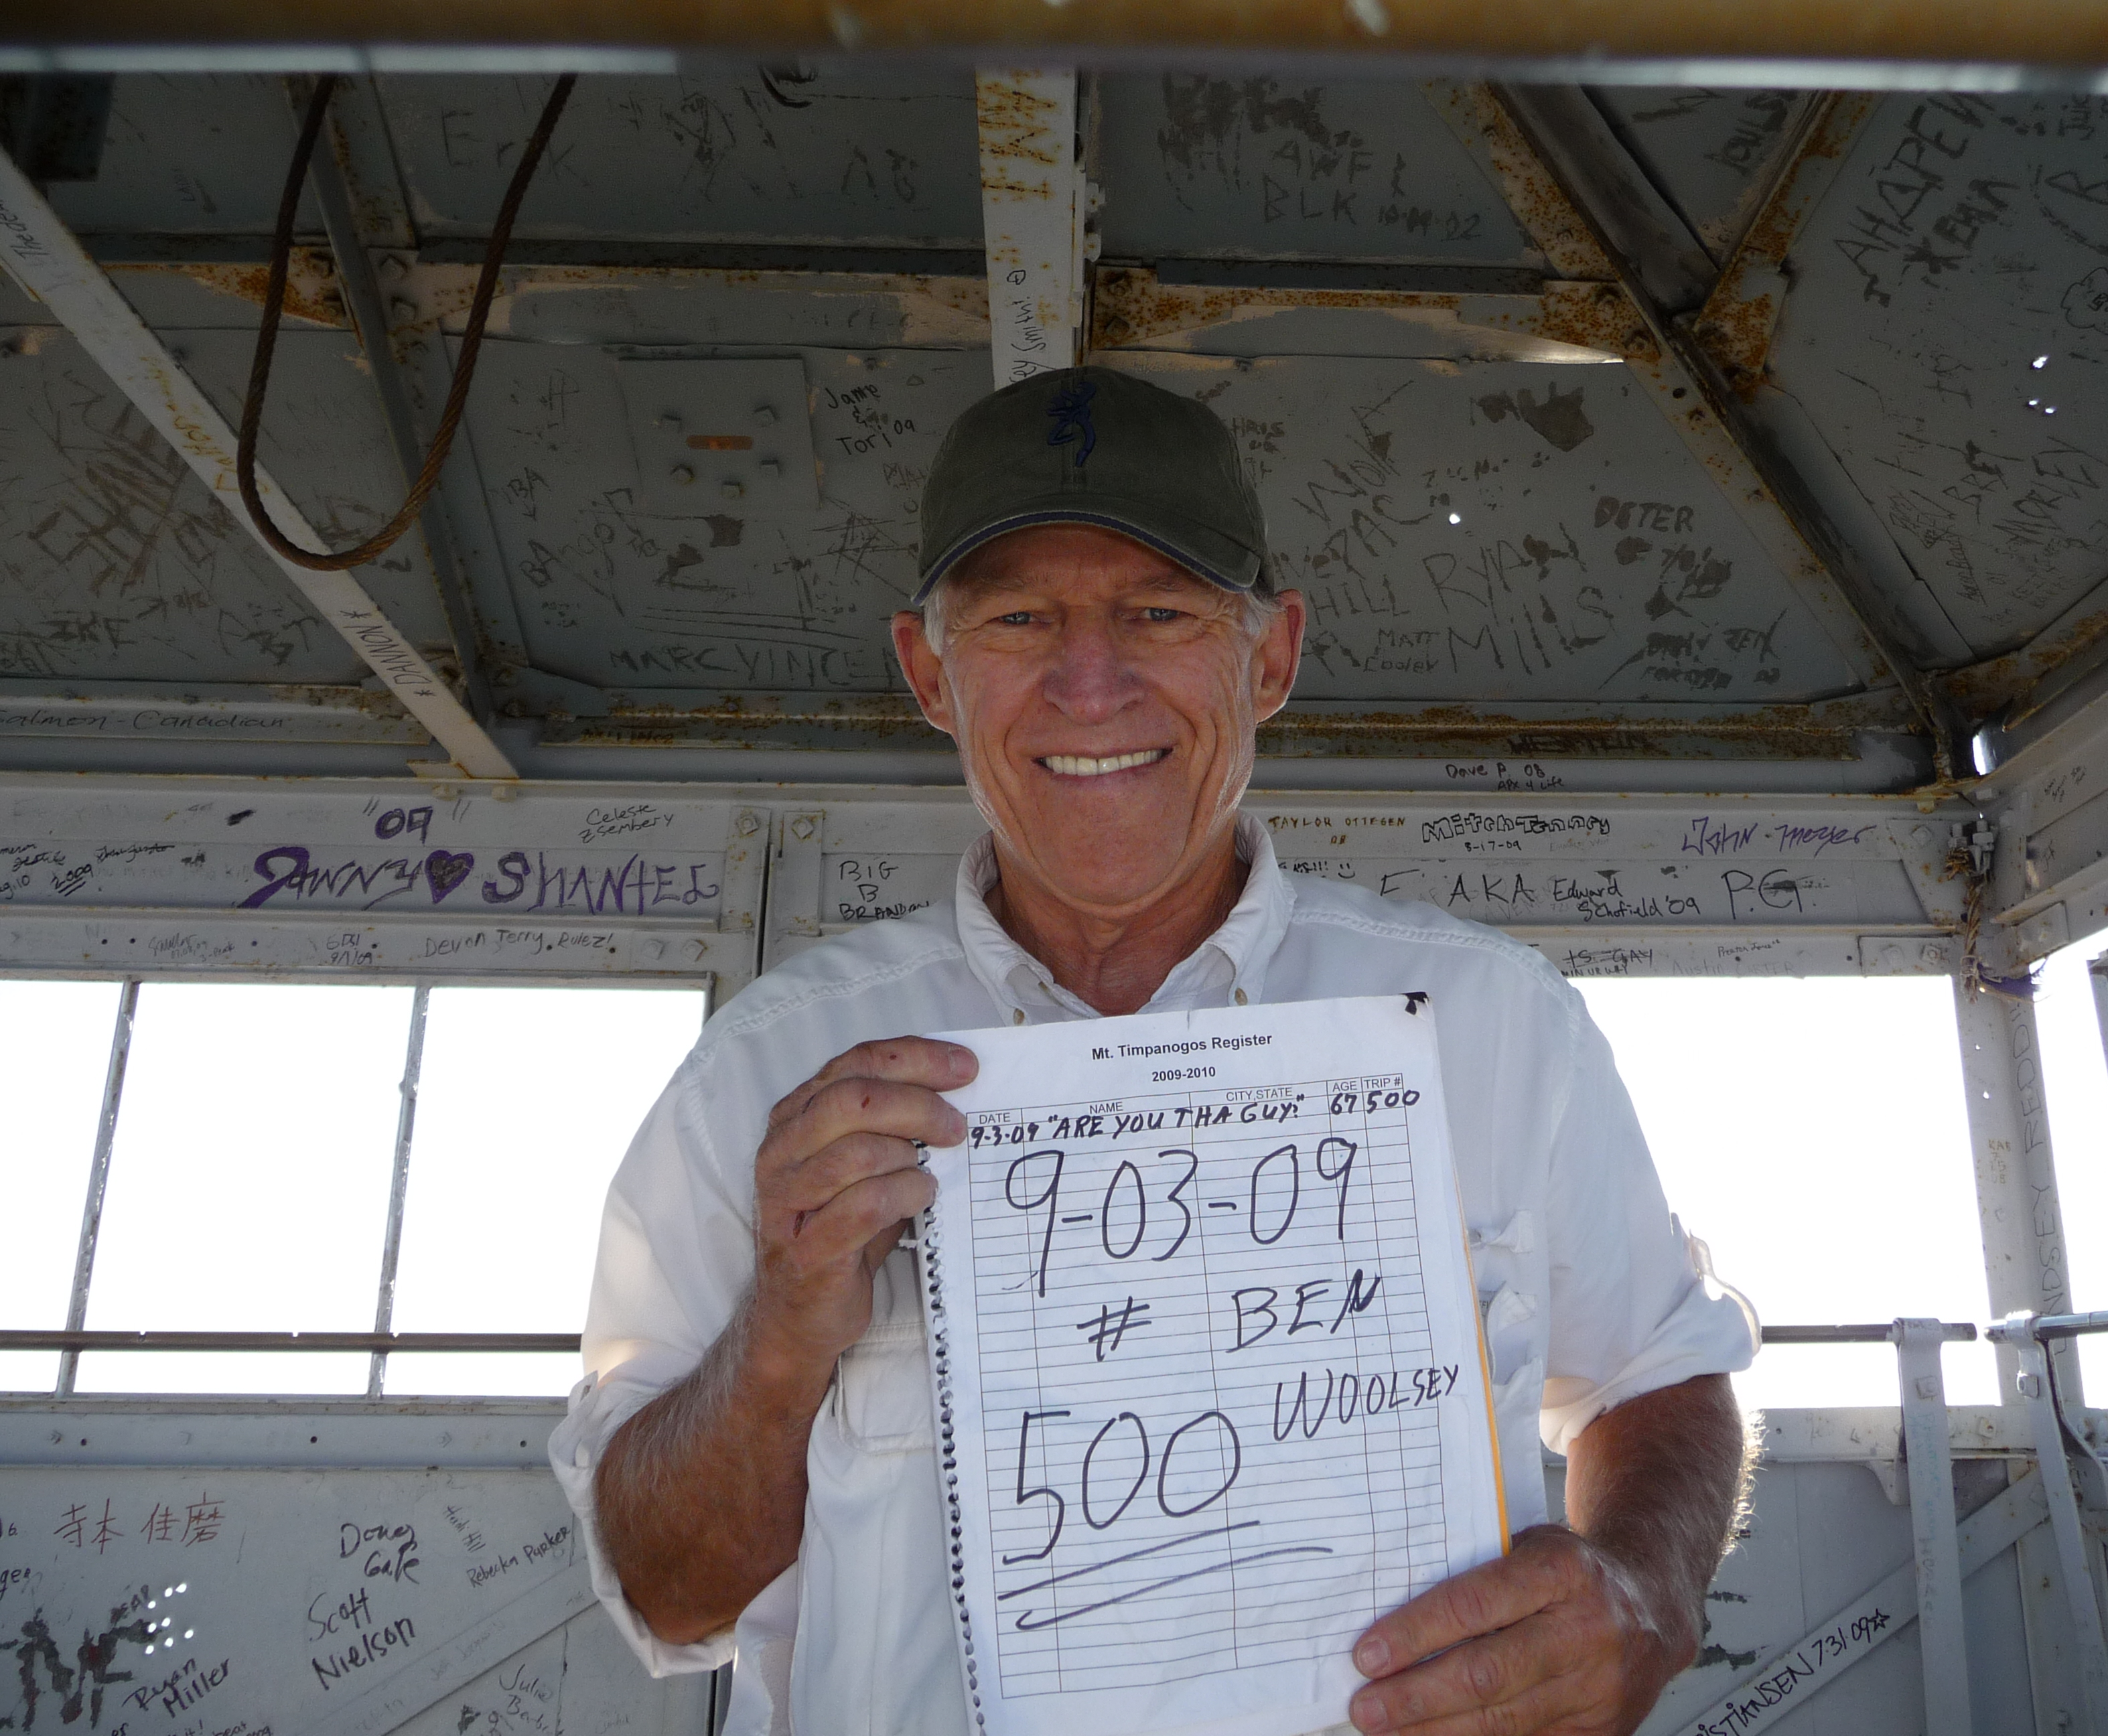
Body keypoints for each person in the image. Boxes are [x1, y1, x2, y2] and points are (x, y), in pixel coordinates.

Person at [550, 366, 1756, 1736]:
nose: (1090, 683)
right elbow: (665, 1592)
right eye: (1018, 619)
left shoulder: (1498, 1025)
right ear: (930, 674)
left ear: (1274, 657)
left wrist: (1647, 1590)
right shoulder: (766, 1076)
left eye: (1160, 612)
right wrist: (779, 1334)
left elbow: (1656, 1377)